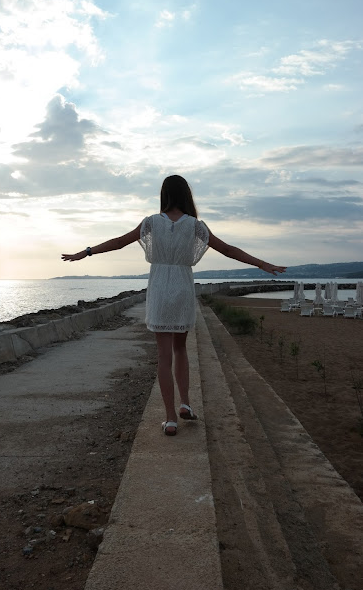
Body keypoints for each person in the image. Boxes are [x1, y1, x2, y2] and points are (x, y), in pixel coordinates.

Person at [61, 175, 286, 436]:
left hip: (159, 288)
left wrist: (86, 252)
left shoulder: (151, 222)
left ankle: (170, 419)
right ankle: (185, 404)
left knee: (163, 356)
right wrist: (261, 264)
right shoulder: (195, 225)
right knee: (180, 349)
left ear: (164, 195)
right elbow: (228, 249)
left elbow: (119, 241)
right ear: (186, 195)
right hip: (182, 287)